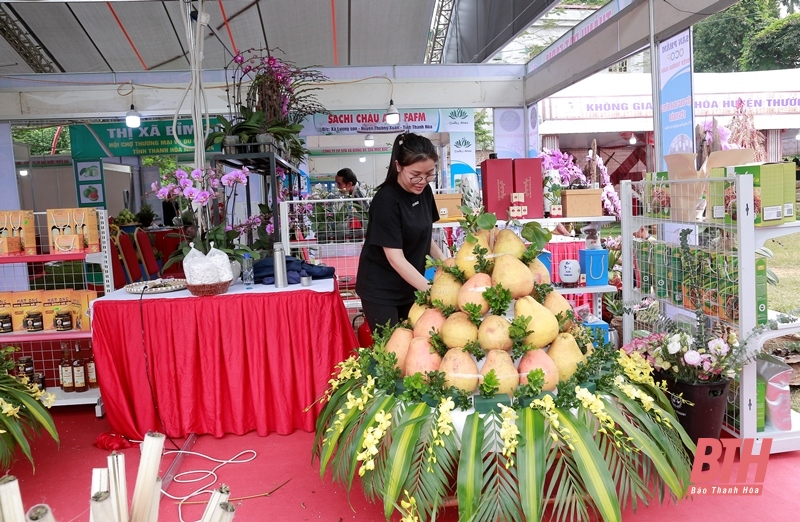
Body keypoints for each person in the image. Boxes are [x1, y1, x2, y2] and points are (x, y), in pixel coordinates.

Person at [356, 133, 447, 333]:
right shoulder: (386, 200)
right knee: (393, 351)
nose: (422, 181)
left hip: (411, 284)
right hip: (381, 290)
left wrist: (446, 265)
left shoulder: (424, 191)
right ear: (398, 166)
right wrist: (433, 292)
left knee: (417, 344)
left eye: (429, 174)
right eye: (415, 174)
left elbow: (425, 235)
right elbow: (395, 258)